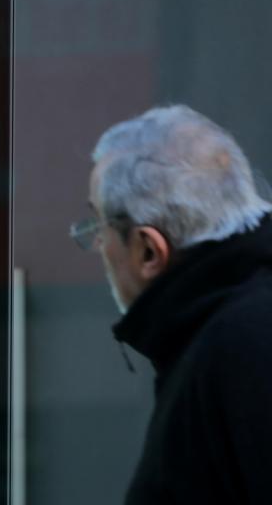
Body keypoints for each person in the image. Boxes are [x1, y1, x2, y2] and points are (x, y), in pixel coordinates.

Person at [70, 105, 272, 504]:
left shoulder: (240, 347)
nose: (97, 245)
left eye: (98, 225)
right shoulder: (229, 331)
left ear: (148, 250)